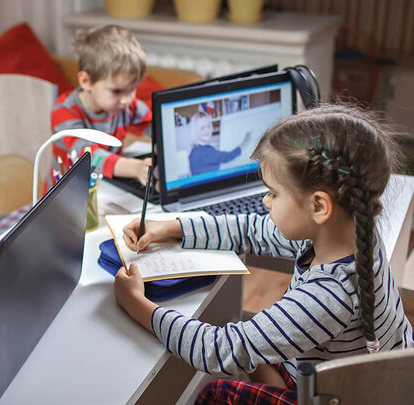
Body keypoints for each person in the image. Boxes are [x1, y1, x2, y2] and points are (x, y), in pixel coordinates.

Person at [113, 104, 413, 404]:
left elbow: (217, 349)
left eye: (273, 192)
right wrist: (173, 226)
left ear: (319, 206)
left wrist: (136, 304)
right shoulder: (353, 229)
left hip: (337, 395)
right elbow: (251, 231)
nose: (265, 201)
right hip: (362, 380)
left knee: (215, 393)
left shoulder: (330, 296)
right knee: (255, 346)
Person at [50, 24, 152, 187]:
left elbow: (158, 128)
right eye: (117, 91)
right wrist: (136, 168)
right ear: (86, 81)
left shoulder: (126, 106)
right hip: (68, 193)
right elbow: (90, 157)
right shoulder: (64, 113)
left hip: (107, 186)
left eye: (132, 89)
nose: (126, 100)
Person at [188, 111, 250, 176]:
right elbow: (228, 157)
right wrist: (245, 142)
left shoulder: (194, 151)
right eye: (202, 128)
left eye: (208, 125)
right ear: (195, 131)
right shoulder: (206, 152)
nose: (207, 130)